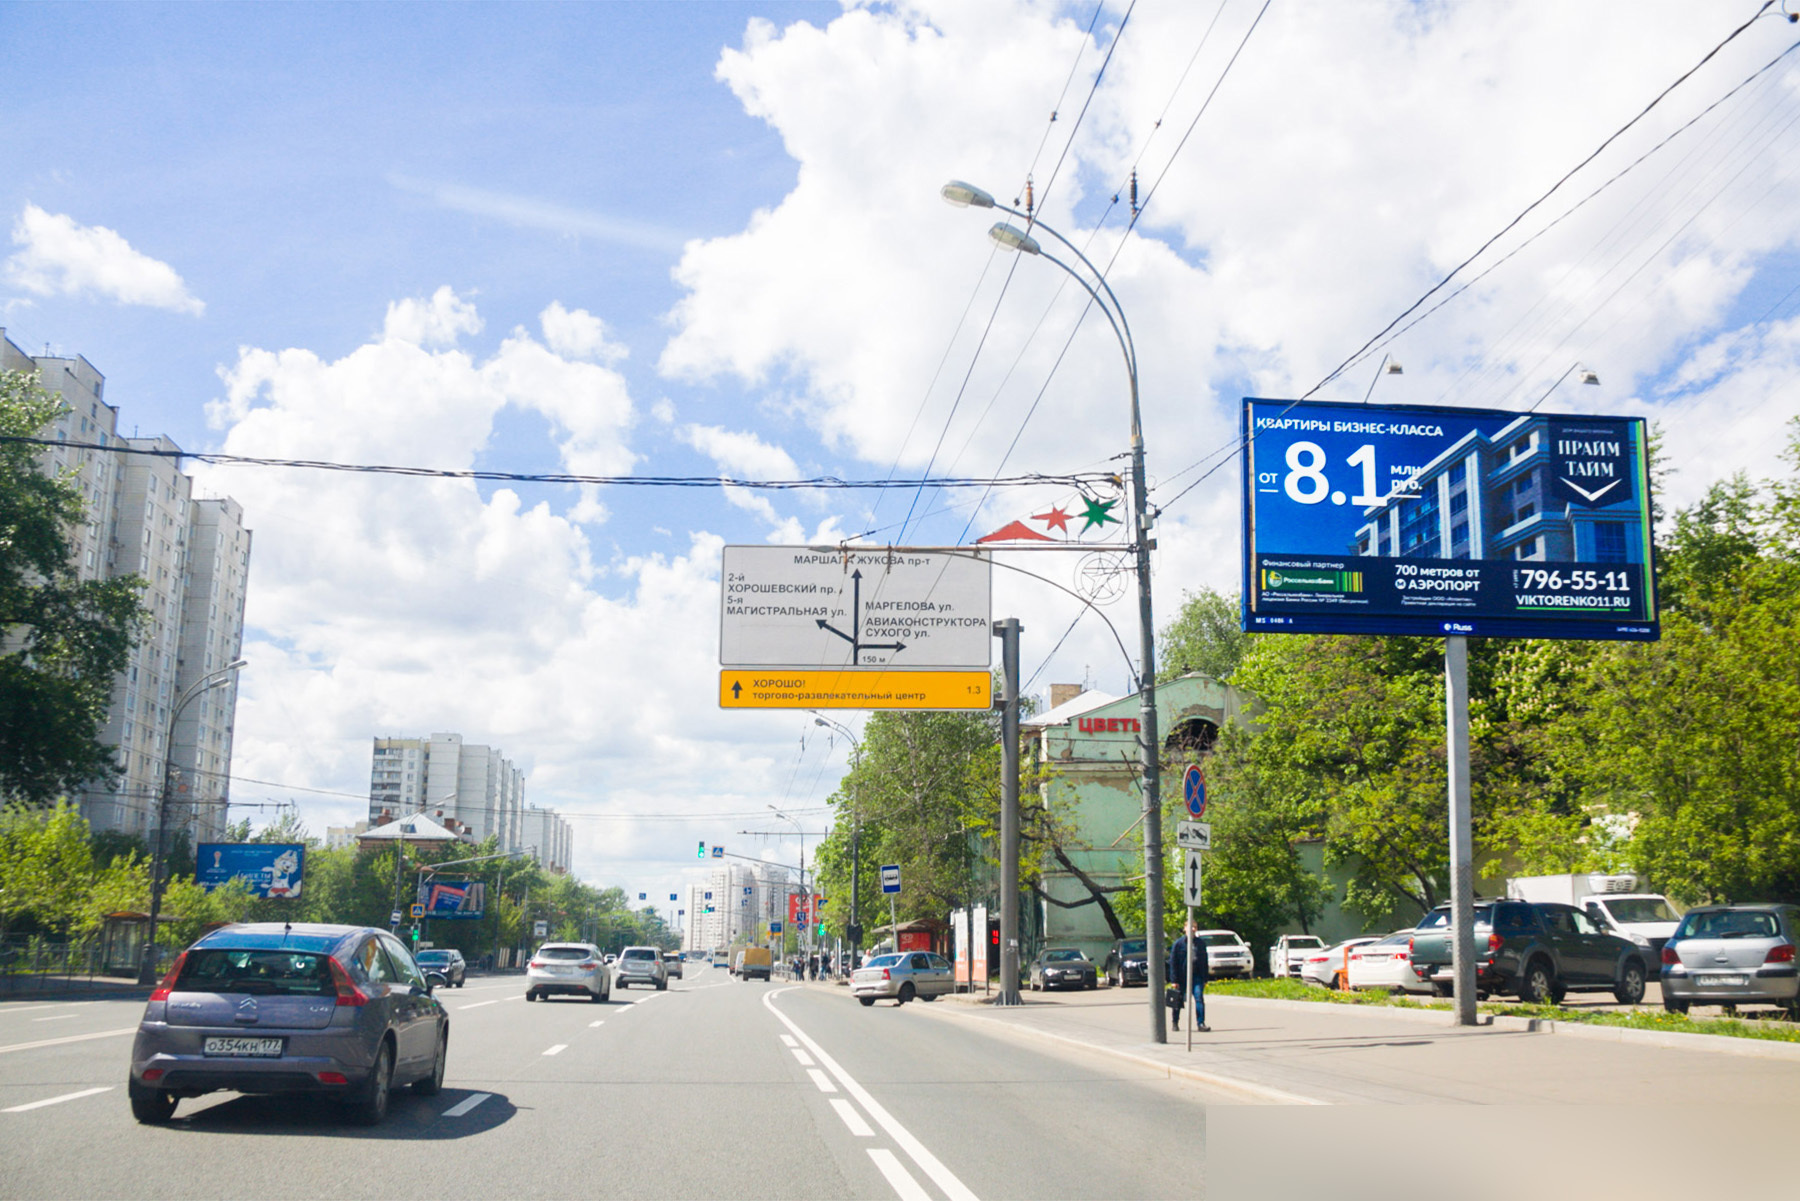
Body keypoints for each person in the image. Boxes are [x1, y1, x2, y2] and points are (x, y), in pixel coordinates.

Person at [1167, 929, 1210, 1033]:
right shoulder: (1178, 944)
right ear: (1184, 929)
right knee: (1178, 1000)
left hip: (1196, 976)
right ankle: (1175, 1022)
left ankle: (1201, 1023)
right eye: (1190, 927)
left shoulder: (1200, 943)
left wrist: (1205, 978)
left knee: (1199, 998)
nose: (1192, 929)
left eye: (1194, 927)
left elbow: (1204, 961)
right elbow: (1173, 962)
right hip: (1182, 977)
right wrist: (1174, 980)